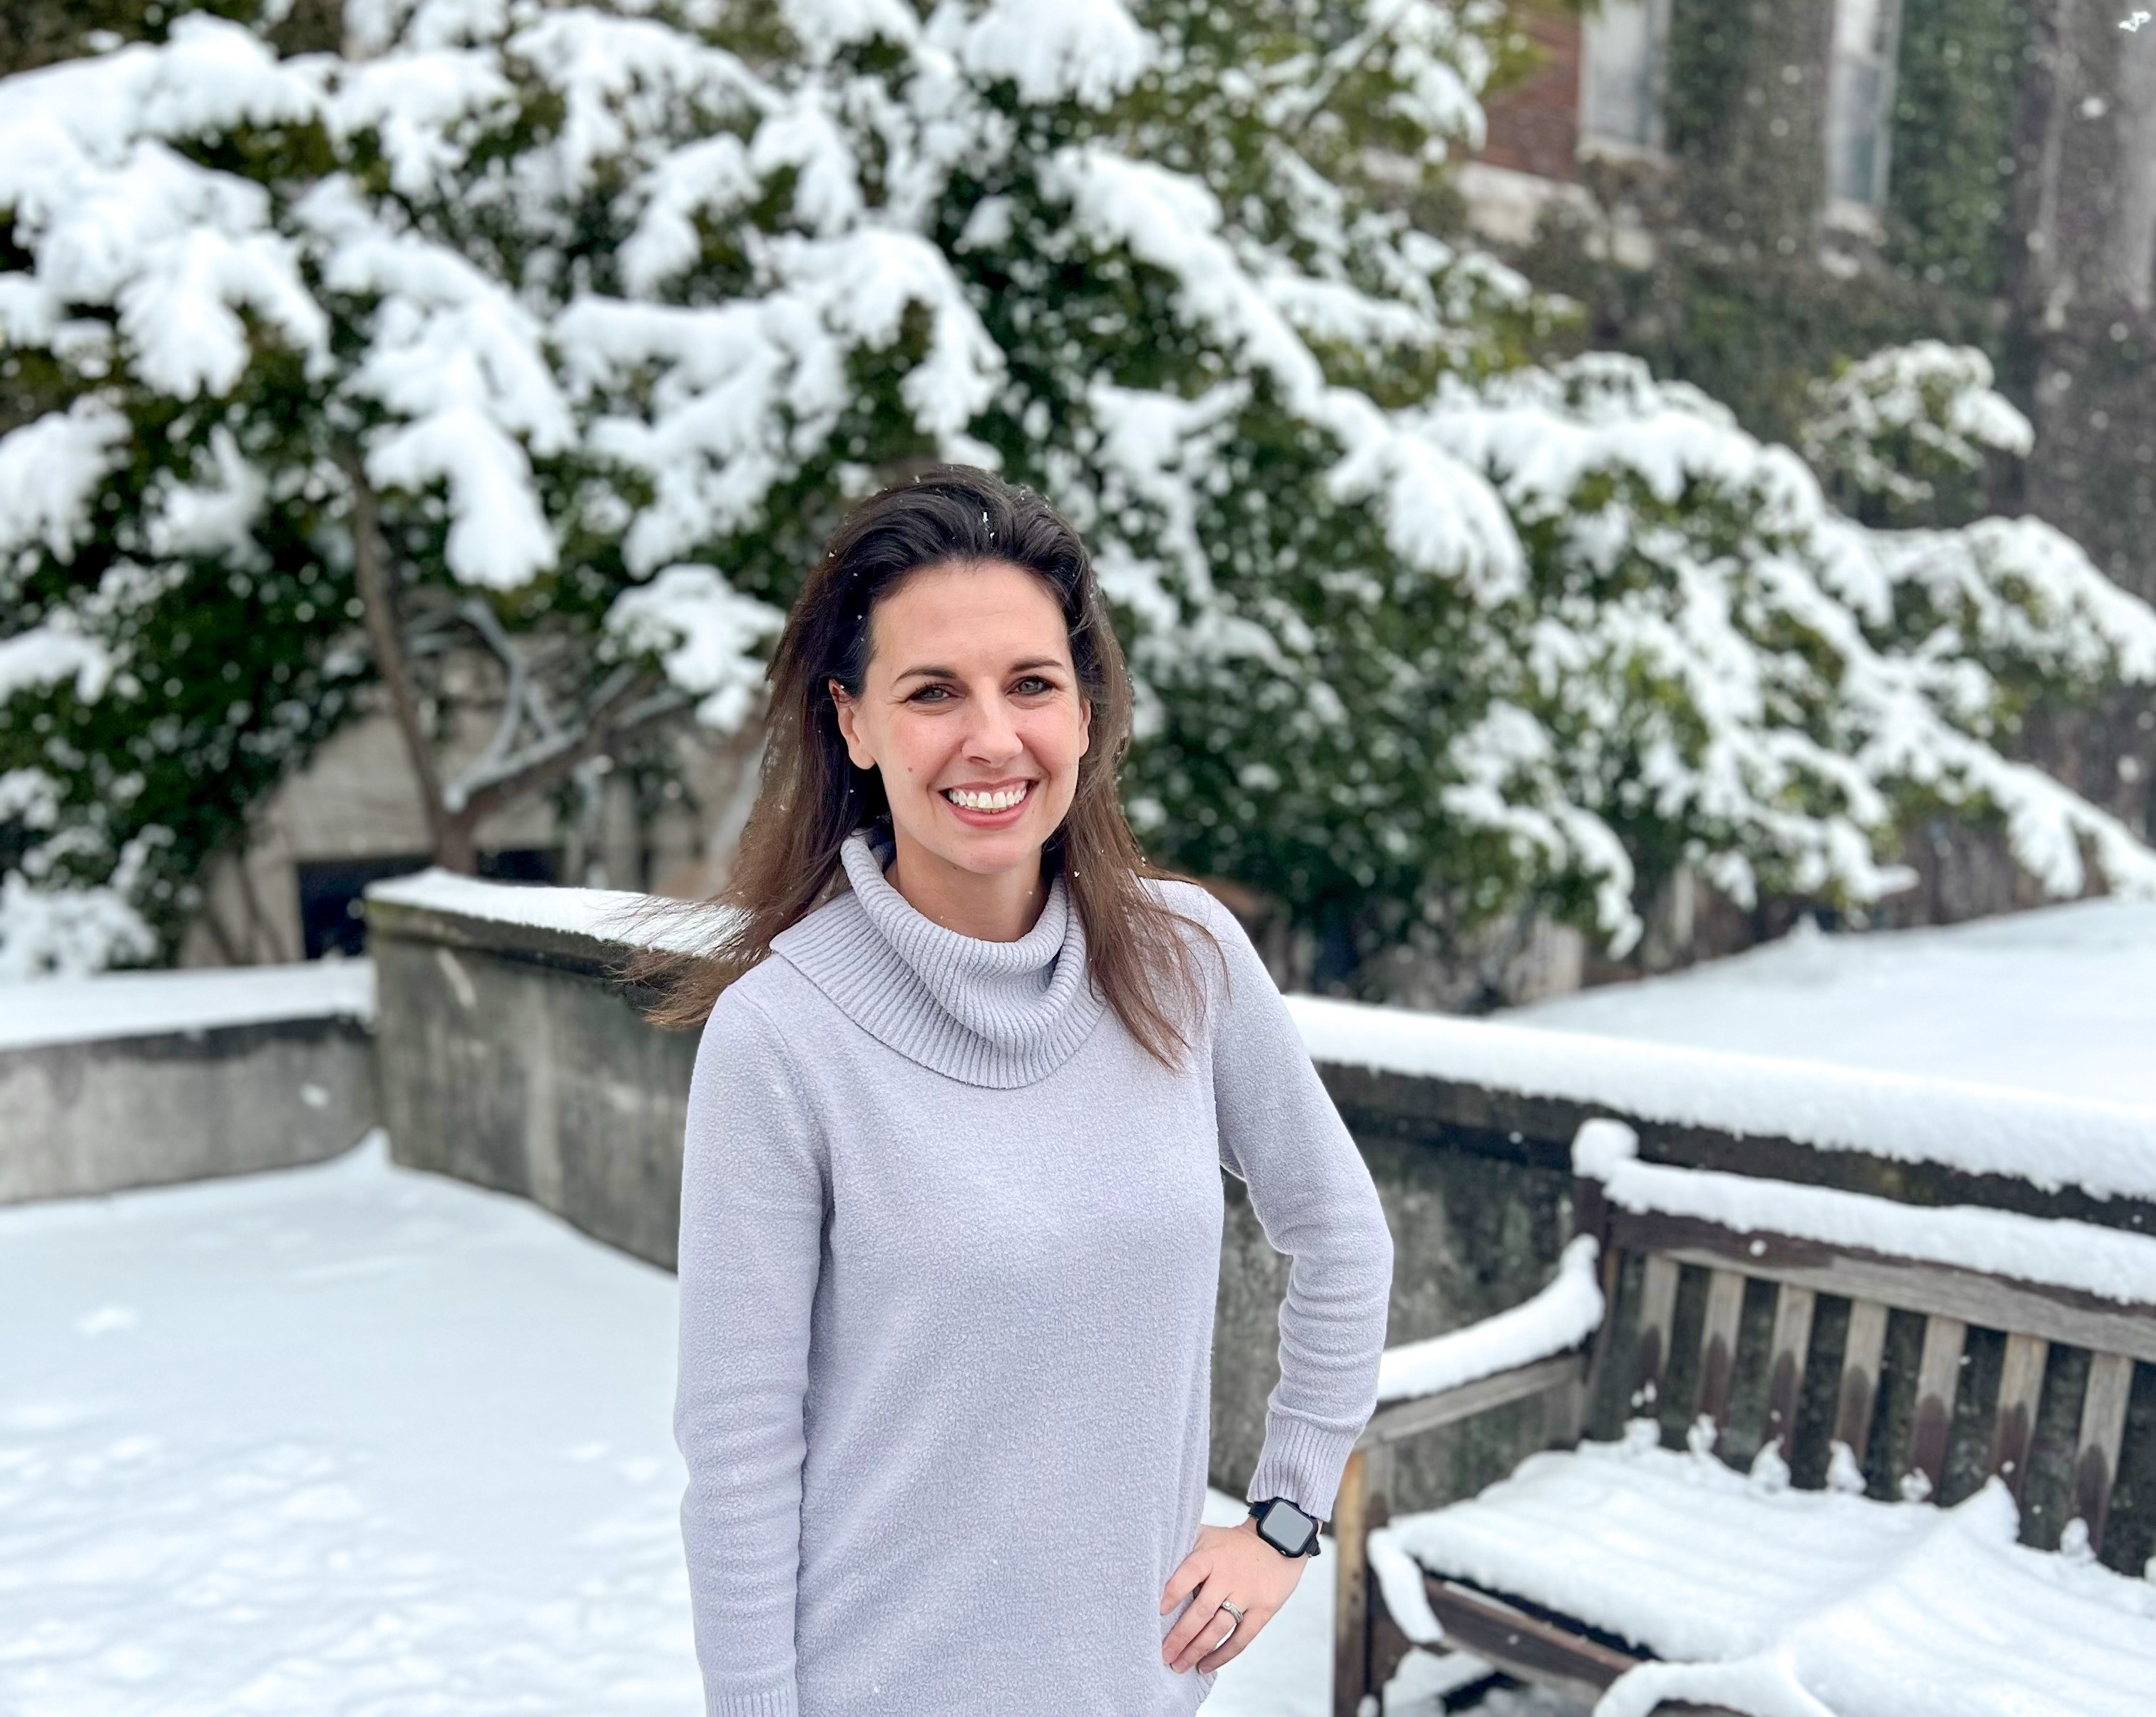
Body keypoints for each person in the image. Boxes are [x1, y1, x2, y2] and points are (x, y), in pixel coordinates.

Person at [642, 464, 1396, 1716]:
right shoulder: (782, 1037)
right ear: (854, 724)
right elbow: (737, 1465)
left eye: (1032, 685)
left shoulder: (1188, 961)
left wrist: (1282, 1520)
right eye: (932, 691)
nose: (992, 738)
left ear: (1087, 713)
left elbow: (1342, 1236)